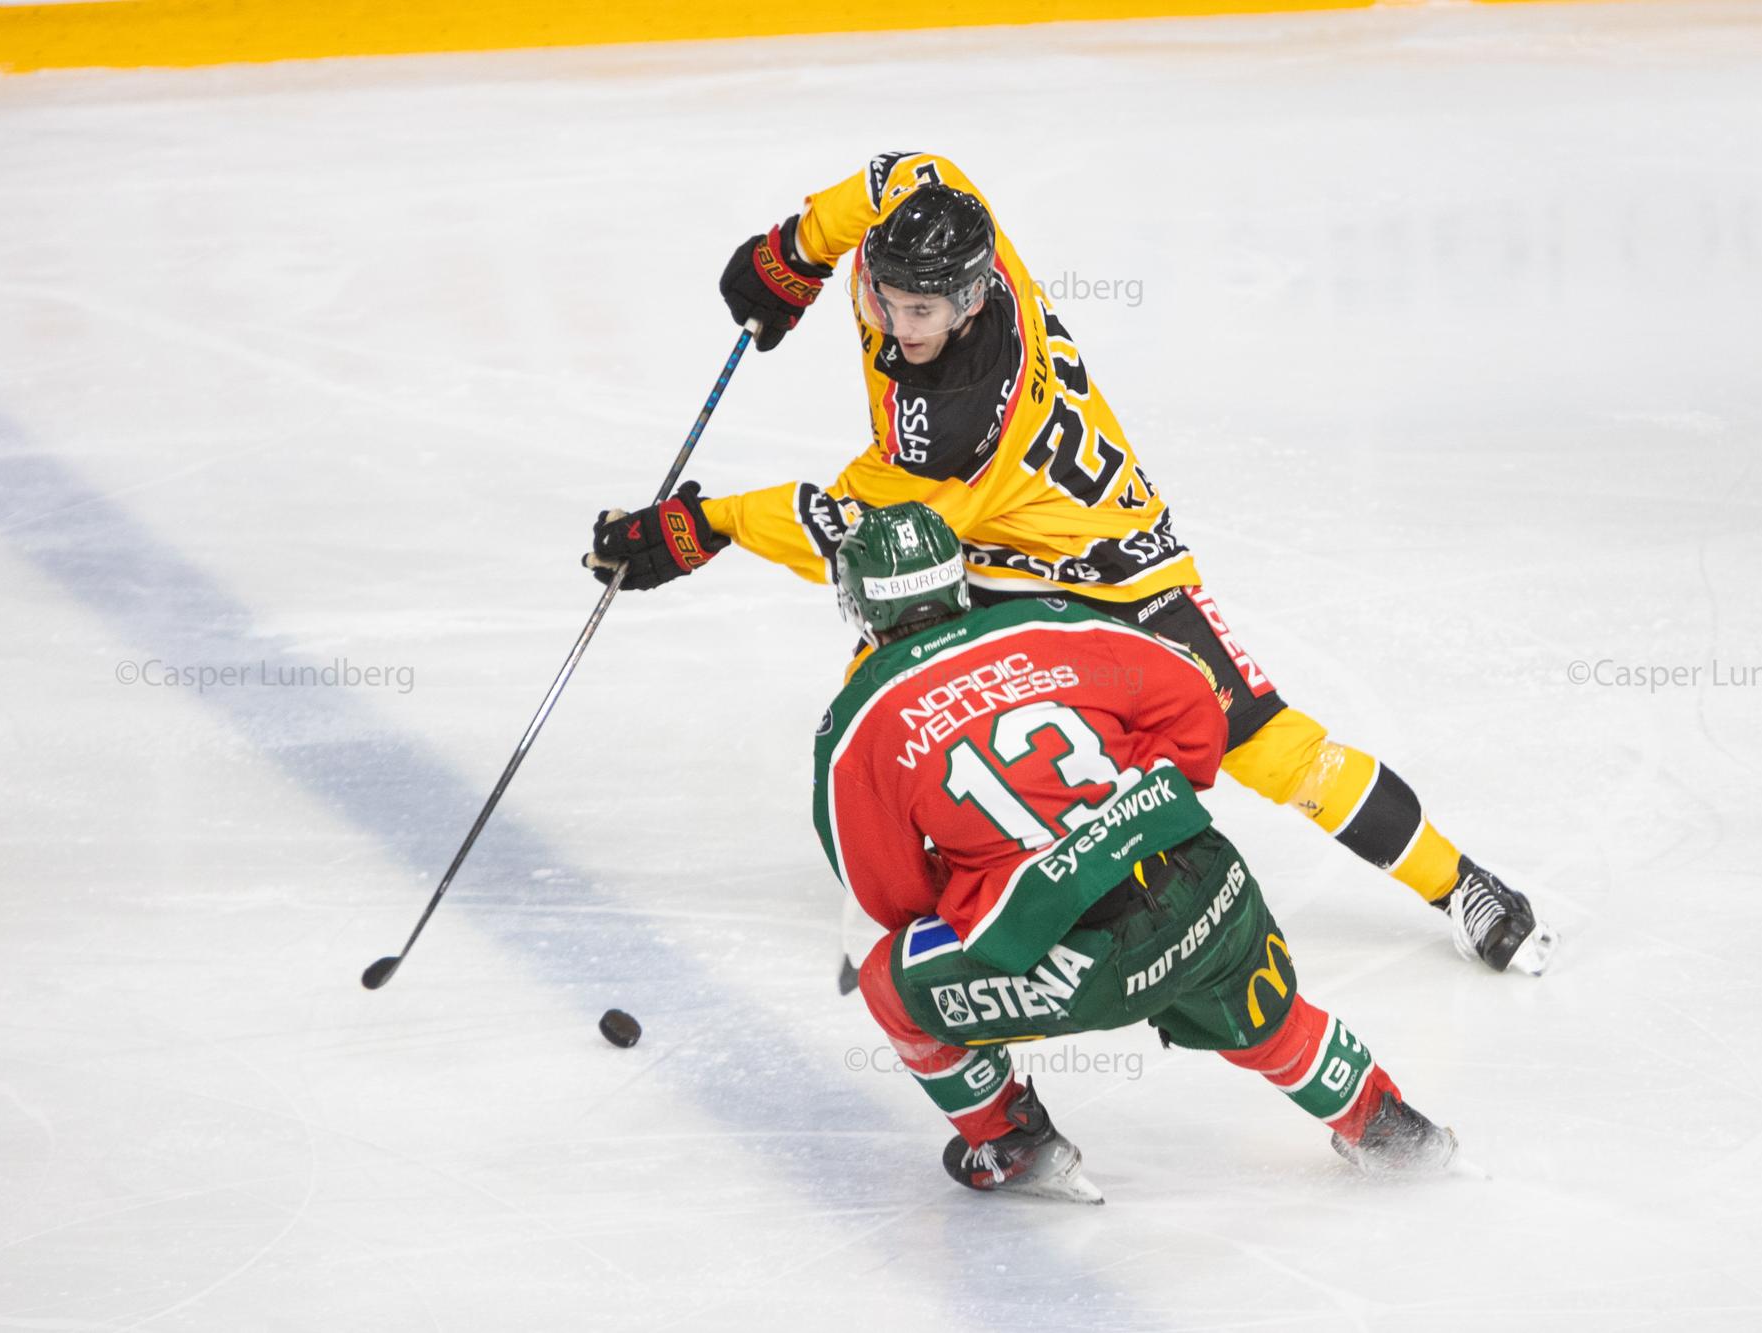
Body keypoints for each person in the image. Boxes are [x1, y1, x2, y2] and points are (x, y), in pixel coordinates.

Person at [583, 151, 1554, 975]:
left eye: (922, 310)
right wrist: (798, 249)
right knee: (881, 696)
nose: (897, 324)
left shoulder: (954, 428)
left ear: (971, 300)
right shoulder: (938, 231)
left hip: (1109, 566)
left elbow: (850, 532)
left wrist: (702, 526)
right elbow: (904, 171)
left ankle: (1460, 884)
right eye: (884, 297)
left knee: (1267, 745)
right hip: (990, 545)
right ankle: (929, 895)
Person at [810, 502, 1459, 1200]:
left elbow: (891, 896)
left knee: (887, 982)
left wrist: (983, 879)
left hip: (1084, 963)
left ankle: (1011, 1142)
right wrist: (1142, 802)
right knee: (1260, 1012)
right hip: (1210, 881)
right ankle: (1390, 1129)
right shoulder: (1049, 624)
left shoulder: (859, 722)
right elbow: (1196, 700)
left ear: (863, 606)